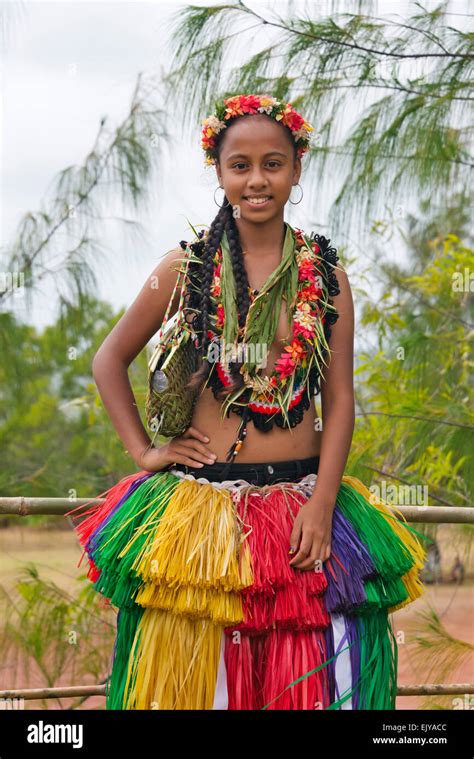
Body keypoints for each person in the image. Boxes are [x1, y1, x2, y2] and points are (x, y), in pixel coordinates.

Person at [67, 94, 428, 711]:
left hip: (302, 508)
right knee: (200, 686)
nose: (257, 180)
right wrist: (146, 451)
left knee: (313, 682)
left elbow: (339, 399)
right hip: (202, 511)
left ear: (297, 167)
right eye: (240, 165)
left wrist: (321, 502)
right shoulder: (183, 269)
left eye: (273, 163)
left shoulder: (325, 275)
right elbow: (108, 360)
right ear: (219, 170)